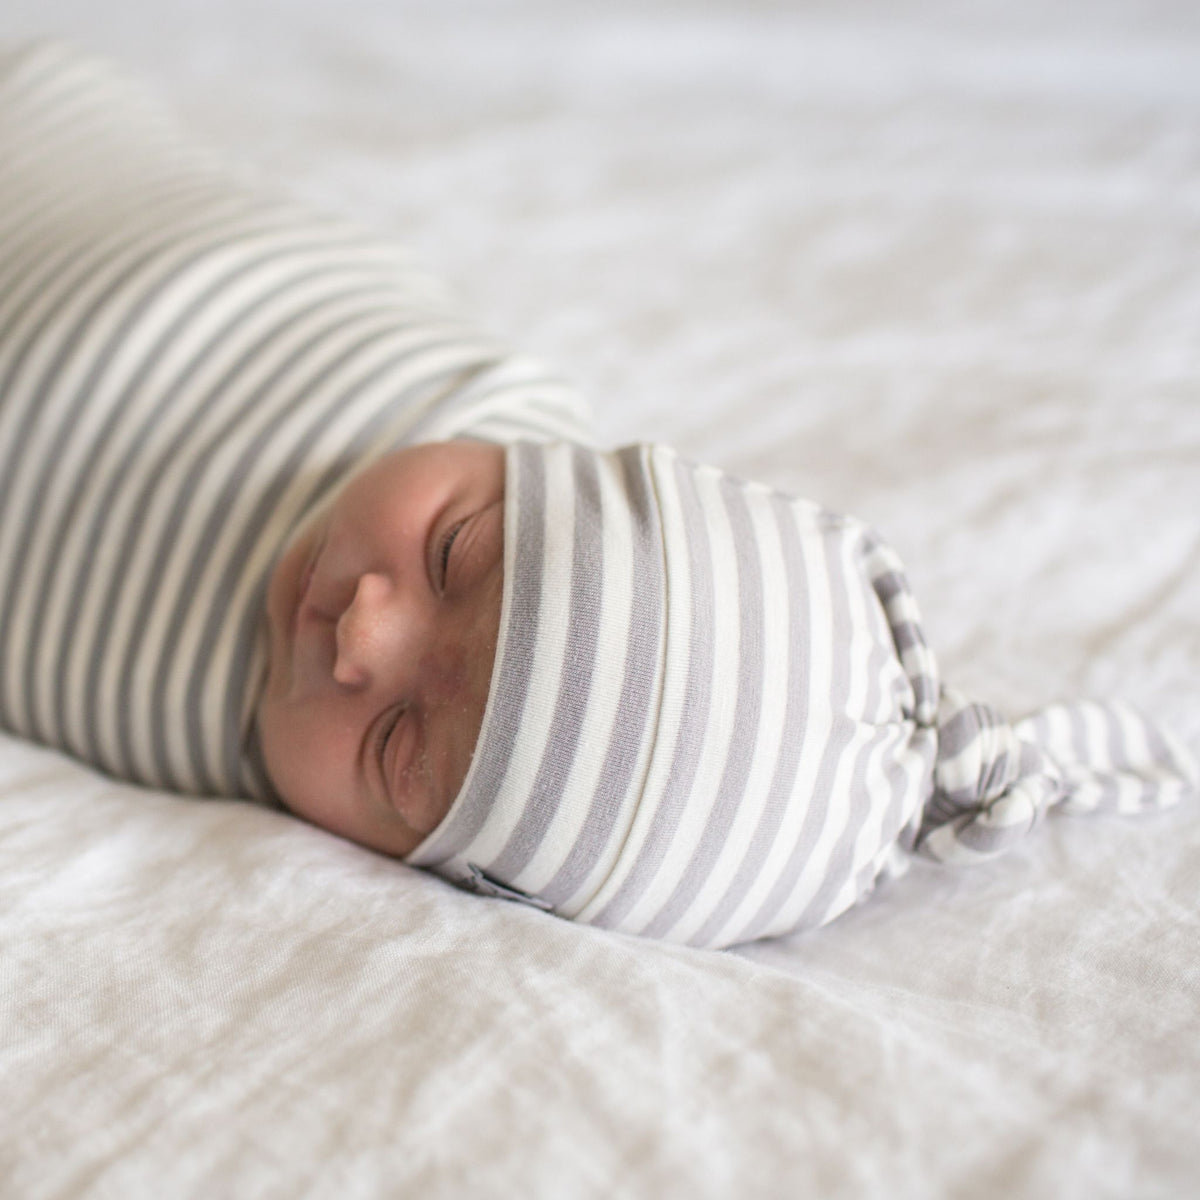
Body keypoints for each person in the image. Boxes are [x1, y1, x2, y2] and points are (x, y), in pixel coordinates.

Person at [1, 39, 1194, 950]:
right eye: (459, 553)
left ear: (440, 871)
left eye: (402, 750)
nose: (362, 627)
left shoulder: (244, 781)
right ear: (556, 465)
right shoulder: (477, 410)